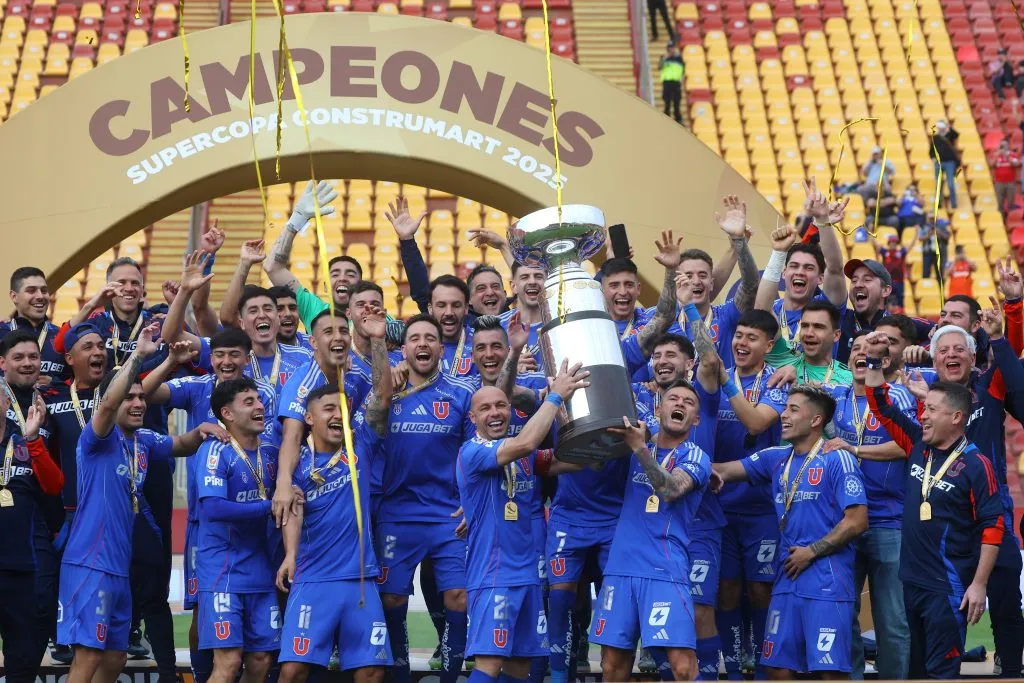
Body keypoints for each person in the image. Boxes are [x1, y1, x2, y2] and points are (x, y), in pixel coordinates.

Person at [56, 324, 211, 683]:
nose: (139, 403)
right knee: (88, 656)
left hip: (119, 569)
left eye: (142, 397)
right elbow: (109, 400)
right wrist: (139, 356)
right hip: (89, 565)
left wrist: (204, 431)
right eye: (131, 398)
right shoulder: (97, 438)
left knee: (114, 657)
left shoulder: (142, 441)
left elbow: (180, 444)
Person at [863, 335, 1004, 678]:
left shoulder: (976, 465)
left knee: (941, 674)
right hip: (910, 582)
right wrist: (874, 360)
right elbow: (880, 404)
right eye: (924, 410)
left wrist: (979, 584)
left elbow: (993, 525)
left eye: (932, 410)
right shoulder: (917, 443)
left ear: (956, 417)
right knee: (915, 673)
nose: (923, 416)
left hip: (948, 589)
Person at [140, 327, 276, 683]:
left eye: (234, 355)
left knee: (260, 651)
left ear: (248, 357)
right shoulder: (198, 387)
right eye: (219, 355)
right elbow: (146, 391)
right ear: (209, 358)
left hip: (259, 533)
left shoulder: (266, 395)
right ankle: (203, 676)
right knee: (204, 610)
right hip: (208, 526)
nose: (226, 361)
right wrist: (171, 360)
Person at [711, 385, 868, 679]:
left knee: (830, 672)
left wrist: (813, 551)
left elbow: (857, 521)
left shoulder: (837, 458)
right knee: (778, 669)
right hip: (788, 579)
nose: (783, 415)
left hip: (827, 582)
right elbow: (724, 470)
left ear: (816, 420)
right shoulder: (776, 458)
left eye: (793, 409)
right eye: (785, 408)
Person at [457, 361, 590, 683]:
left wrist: (570, 421)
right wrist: (554, 397)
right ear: (473, 418)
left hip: (527, 576)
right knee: (489, 664)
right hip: (493, 576)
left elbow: (576, 462)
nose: (495, 413)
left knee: (519, 668)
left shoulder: (520, 454)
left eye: (501, 405)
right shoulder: (473, 451)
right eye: (485, 408)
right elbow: (527, 443)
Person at [374, 314, 476, 683]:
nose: (422, 344)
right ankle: (399, 670)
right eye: (414, 338)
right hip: (397, 513)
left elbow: (473, 453)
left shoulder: (462, 393)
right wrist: (385, 388)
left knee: (459, 598)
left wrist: (471, 500)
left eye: (429, 338)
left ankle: (450, 675)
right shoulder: (388, 391)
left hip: (448, 514)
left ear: (440, 347)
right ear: (404, 349)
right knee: (392, 600)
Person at [588, 381, 712, 681]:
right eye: (672, 398)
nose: (679, 403)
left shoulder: (696, 457)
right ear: (659, 409)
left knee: (682, 666)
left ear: (695, 418)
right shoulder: (630, 448)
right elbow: (590, 462)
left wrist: (640, 448)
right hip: (621, 567)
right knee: (612, 665)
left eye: (688, 401)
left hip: (664, 568)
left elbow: (670, 490)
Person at [276, 378, 394, 683]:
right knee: (292, 671)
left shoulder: (361, 445)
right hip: (313, 579)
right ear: (310, 418)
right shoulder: (296, 466)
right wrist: (290, 555)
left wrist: (379, 339)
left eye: (341, 409)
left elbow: (381, 397)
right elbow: (292, 512)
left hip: (360, 581)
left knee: (371, 672)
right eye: (328, 409)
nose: (337, 415)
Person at [823, 331, 916, 679]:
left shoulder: (898, 397)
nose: (861, 354)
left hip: (889, 521)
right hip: (844, 519)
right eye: (855, 349)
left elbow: (909, 445)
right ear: (848, 362)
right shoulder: (835, 399)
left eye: (869, 350)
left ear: (883, 361)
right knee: (842, 612)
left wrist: (855, 449)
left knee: (891, 619)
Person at [708, 310, 789, 679]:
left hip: (760, 507)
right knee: (726, 590)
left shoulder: (778, 383)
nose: (741, 343)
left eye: (752, 338)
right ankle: (735, 665)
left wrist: (727, 382)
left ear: (769, 345)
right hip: (718, 504)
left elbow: (757, 423)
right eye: (738, 335)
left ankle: (761, 663)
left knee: (759, 590)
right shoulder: (714, 377)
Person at [196, 377, 282, 682]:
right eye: (249, 402)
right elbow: (214, 508)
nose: (260, 406)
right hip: (223, 573)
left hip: (261, 572)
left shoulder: (271, 451)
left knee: (260, 660)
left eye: (259, 400)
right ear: (227, 414)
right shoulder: (215, 451)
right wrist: (269, 506)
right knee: (229, 662)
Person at [41, 321, 107, 665]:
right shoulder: (51, 399)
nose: (98, 353)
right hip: (68, 508)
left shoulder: (114, 393)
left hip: (109, 509)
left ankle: (122, 633)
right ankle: (60, 636)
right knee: (62, 576)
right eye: (89, 348)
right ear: (69, 358)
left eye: (101, 346)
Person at [0, 331, 62, 670]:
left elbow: (53, 482)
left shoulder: (49, 402)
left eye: (32, 357)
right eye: (18, 357)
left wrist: (33, 440)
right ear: (2, 364)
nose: (27, 363)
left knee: (31, 623)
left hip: (29, 537)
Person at [755, 178, 849, 365]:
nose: (800, 272)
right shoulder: (773, 308)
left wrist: (822, 220)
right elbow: (761, 310)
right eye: (794, 266)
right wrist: (779, 252)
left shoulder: (825, 307)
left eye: (809, 268)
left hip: (817, 389)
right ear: (784, 273)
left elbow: (835, 268)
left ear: (820, 278)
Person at [0, 266, 65, 384]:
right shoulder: (2, 332)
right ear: (14, 296)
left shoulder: (62, 335)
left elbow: (78, 383)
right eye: (31, 290)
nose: (40, 296)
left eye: (44, 290)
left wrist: (55, 383)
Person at [777, 300, 853, 386]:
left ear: (836, 335)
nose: (809, 333)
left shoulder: (849, 379)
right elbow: (763, 309)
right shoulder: (784, 359)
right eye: (805, 326)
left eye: (818, 327)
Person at [837, 258, 893, 364]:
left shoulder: (897, 328)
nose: (858, 285)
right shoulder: (839, 320)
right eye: (854, 281)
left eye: (867, 280)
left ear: (885, 290)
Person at [428, 274, 477, 378]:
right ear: (430, 308)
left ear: (466, 308)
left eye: (456, 305)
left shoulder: (483, 343)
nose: (449, 313)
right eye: (441, 305)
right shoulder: (416, 347)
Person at [930, 121, 960, 210]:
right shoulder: (935, 138)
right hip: (939, 163)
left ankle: (953, 203)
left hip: (950, 162)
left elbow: (956, 135)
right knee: (939, 183)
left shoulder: (949, 136)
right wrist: (933, 158)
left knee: (951, 183)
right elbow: (931, 151)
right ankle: (938, 202)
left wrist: (948, 127)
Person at [990, 138, 1020, 221]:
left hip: (1010, 182)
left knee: (1011, 202)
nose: (1003, 147)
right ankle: (1001, 219)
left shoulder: (1012, 154)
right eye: (1002, 145)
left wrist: (1007, 156)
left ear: (1008, 145)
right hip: (999, 182)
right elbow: (991, 164)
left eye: (1005, 145)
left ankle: (1010, 219)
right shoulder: (996, 154)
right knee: (999, 202)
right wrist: (997, 155)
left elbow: (1016, 164)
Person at [873, 235, 907, 308]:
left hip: (899, 282)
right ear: (889, 243)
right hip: (888, 282)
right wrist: (869, 231)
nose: (893, 244)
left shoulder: (900, 252)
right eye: (891, 242)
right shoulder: (885, 252)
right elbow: (875, 244)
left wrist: (916, 234)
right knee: (887, 302)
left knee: (900, 303)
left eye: (894, 243)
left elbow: (909, 247)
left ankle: (900, 317)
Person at [917, 214, 950, 281]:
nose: (932, 221)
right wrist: (929, 235)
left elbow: (947, 236)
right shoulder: (924, 226)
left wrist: (939, 232)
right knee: (926, 273)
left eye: (933, 218)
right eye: (931, 219)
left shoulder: (941, 225)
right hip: (927, 252)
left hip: (938, 252)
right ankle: (925, 287)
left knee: (939, 273)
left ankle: (940, 288)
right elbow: (920, 238)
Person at [659, 42, 684, 124]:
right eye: (669, 48)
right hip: (667, 83)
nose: (671, 49)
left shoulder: (679, 58)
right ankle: (666, 120)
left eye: (672, 47)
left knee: (677, 102)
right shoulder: (664, 58)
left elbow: (683, 70)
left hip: (676, 83)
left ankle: (678, 120)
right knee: (667, 102)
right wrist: (665, 58)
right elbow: (660, 67)